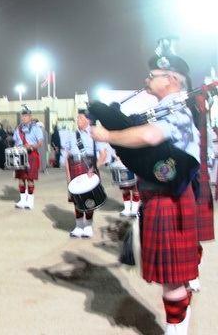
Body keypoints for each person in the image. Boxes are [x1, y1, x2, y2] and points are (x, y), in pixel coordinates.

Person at [91, 46, 211, 333]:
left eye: (152, 75)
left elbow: (151, 135)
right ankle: (179, 326)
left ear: (171, 79)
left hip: (167, 199)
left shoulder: (178, 111)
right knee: (176, 276)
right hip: (161, 197)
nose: (147, 80)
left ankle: (175, 329)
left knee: (172, 278)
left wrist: (107, 135)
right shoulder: (165, 109)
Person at [64, 110, 107, 239]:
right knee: (76, 198)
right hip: (74, 167)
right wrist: (68, 175)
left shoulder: (94, 134)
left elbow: (103, 154)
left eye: (80, 119)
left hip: (89, 167)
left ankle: (87, 226)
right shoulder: (72, 135)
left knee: (89, 198)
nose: (78, 121)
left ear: (88, 120)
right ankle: (78, 226)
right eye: (77, 119)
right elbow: (67, 156)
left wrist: (94, 168)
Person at [12, 106, 43, 209]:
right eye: (23, 116)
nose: (24, 118)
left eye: (26, 116)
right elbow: (15, 141)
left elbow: (40, 143)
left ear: (30, 117)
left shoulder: (36, 128)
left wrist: (31, 146)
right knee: (20, 178)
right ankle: (22, 199)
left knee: (30, 178)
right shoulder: (18, 128)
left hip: (31, 154)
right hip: (20, 154)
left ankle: (30, 200)